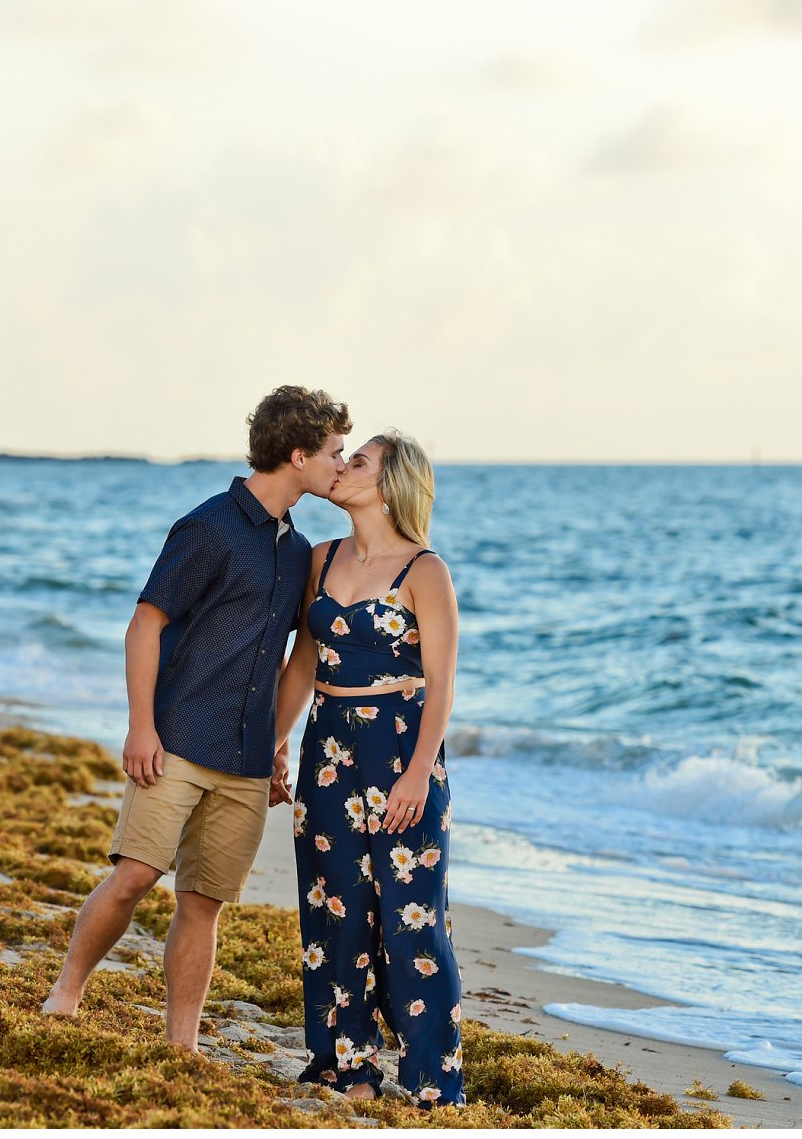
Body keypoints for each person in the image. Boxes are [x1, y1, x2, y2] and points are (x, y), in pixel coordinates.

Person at [42, 386, 352, 1055]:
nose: (341, 464)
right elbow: (144, 625)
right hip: (176, 740)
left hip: (244, 760)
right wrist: (140, 727)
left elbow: (296, 657)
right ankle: (67, 989)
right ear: (297, 455)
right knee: (132, 878)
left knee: (203, 904)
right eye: (334, 452)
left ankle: (180, 1043)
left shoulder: (300, 552)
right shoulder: (207, 527)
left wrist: (275, 741)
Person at [280, 429, 464, 1107]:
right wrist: (274, 742)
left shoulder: (425, 571)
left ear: (390, 485)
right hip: (327, 751)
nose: (342, 466)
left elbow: (442, 684)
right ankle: (346, 1068)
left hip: (401, 755)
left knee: (411, 919)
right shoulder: (319, 560)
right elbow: (305, 661)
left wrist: (418, 774)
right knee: (336, 909)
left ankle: (431, 1086)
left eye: (357, 461)